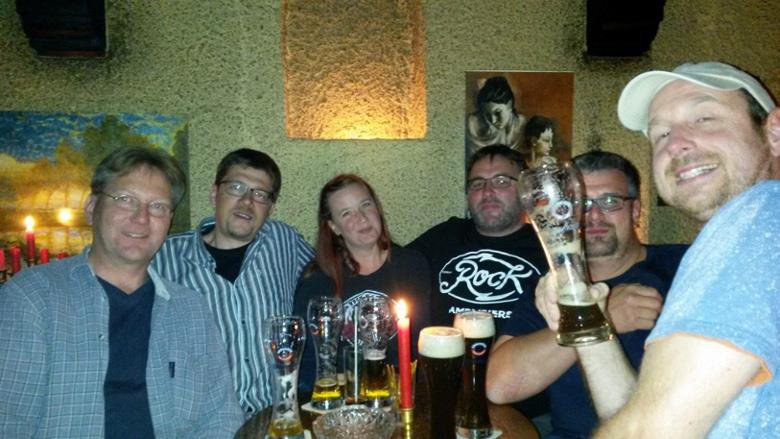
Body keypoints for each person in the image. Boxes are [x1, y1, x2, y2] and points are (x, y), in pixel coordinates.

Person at [537, 62, 780, 437]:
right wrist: (587, 320)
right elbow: (642, 413)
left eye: (704, 118)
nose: (675, 143)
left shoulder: (760, 218)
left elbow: (645, 432)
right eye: (660, 133)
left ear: (774, 132)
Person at [0, 147, 243, 437]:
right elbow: (8, 421)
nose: (141, 218)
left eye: (157, 206)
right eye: (126, 200)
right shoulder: (33, 297)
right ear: (92, 207)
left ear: (168, 222)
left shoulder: (191, 310)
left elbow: (221, 417)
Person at [486, 151, 688, 438]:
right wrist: (600, 317)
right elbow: (499, 386)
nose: (593, 216)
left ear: (635, 210)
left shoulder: (684, 266)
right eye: (579, 203)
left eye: (610, 201)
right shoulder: (549, 285)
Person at [153, 148, 313, 416]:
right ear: (214, 193)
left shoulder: (284, 241)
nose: (247, 201)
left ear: (270, 208)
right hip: (203, 425)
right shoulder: (163, 258)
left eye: (260, 194)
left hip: (277, 418)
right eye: (236, 187)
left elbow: (334, 270)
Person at [408, 144, 549, 418]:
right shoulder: (445, 236)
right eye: (477, 184)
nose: (487, 192)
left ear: (525, 192)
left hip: (524, 408)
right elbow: (386, 262)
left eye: (501, 181)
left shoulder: (548, 247)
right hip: (443, 401)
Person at [294, 174, 430, 396]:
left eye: (366, 205)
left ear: (377, 208)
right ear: (334, 227)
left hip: (403, 396)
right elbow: (309, 363)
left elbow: (423, 343)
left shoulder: (412, 265)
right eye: (346, 213)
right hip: (343, 400)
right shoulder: (317, 281)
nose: (362, 218)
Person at [467, 76, 526, 151]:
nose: (493, 120)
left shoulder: (521, 125)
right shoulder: (473, 124)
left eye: (498, 113)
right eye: (487, 114)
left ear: (509, 105)